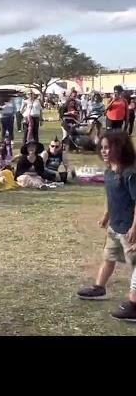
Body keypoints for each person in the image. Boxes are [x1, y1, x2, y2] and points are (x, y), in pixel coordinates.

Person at [77, 131, 136, 322]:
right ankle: (99, 288)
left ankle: (134, 303)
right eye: (102, 147)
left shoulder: (130, 174)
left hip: (129, 229)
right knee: (108, 257)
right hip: (115, 227)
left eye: (108, 147)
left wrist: (134, 228)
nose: (104, 151)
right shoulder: (109, 172)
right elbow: (112, 199)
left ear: (120, 148)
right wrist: (106, 217)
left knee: (135, 264)